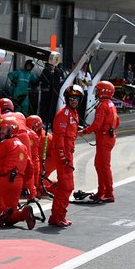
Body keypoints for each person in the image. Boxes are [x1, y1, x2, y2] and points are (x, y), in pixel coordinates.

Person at [0, 116, 36, 230]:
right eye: (1, 129)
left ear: (12, 129)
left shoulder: (6, 144)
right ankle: (23, 214)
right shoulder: (23, 146)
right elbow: (30, 168)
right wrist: (25, 185)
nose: (1, 132)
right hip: (18, 182)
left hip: (4, 179)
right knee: (12, 214)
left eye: (4, 129)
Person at [48, 84, 83, 227]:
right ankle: (58, 216)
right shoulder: (64, 114)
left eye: (76, 98)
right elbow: (59, 136)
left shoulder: (74, 113)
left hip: (68, 152)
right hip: (63, 153)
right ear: (67, 99)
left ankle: (56, 216)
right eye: (71, 98)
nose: (74, 101)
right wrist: (63, 155)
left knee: (64, 185)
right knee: (67, 186)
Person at [81, 81, 119, 203]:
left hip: (104, 138)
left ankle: (108, 193)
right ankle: (102, 191)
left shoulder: (102, 106)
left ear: (103, 91)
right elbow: (117, 122)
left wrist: (84, 131)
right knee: (100, 165)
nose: (96, 92)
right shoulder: (111, 104)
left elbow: (97, 125)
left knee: (103, 166)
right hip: (108, 137)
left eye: (98, 90)